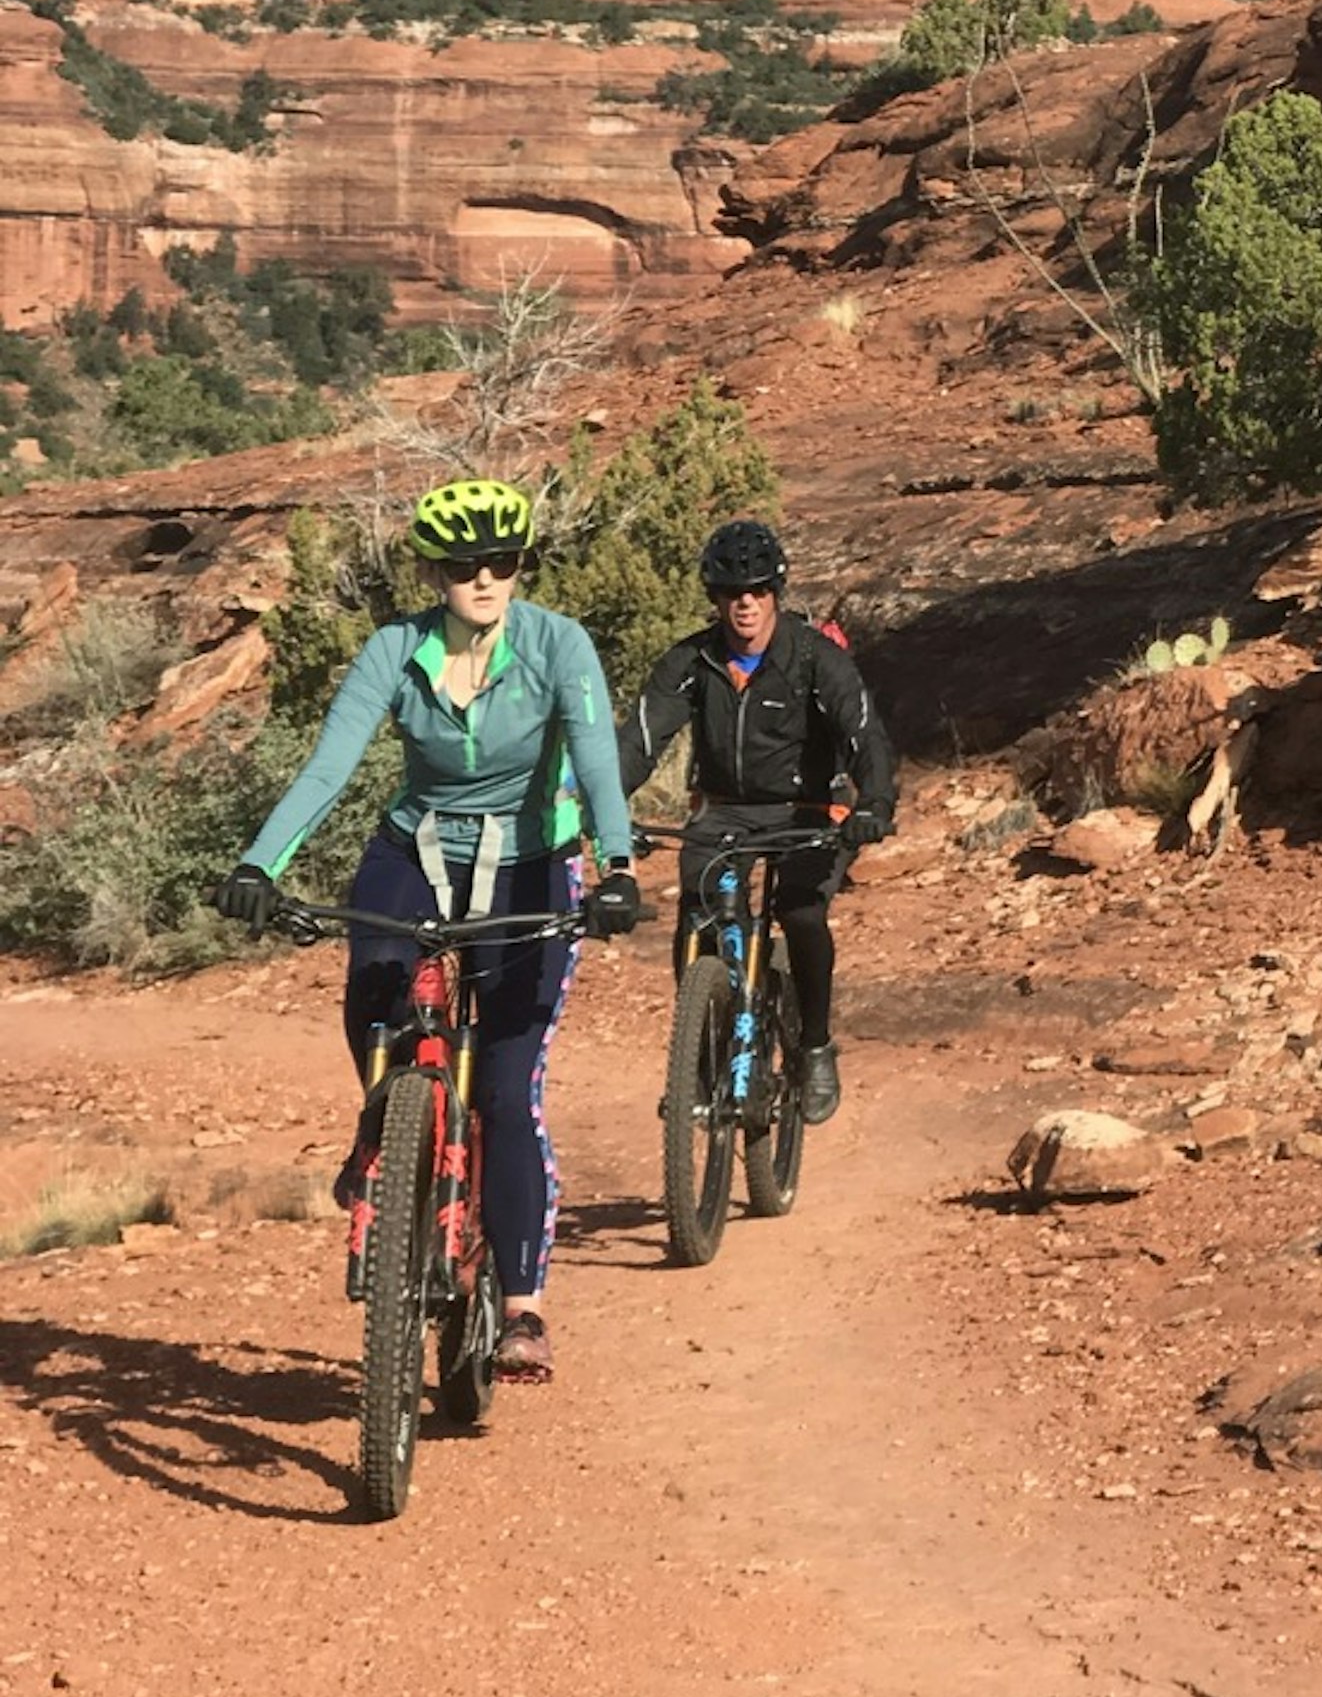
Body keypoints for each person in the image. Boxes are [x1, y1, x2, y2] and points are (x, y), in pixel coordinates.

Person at [216, 477, 641, 1386]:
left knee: (506, 1092)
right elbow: (329, 767)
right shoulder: (393, 651)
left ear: (522, 566)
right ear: (435, 571)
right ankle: (386, 1128)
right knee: (374, 991)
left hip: (530, 862)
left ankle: (523, 1308)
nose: (485, 579)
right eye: (463, 565)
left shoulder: (558, 645)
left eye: (503, 562)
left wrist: (616, 867)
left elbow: (598, 761)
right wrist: (261, 865)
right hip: (417, 849)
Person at [615, 519, 896, 1127]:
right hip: (723, 810)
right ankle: (701, 1052)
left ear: (777, 591)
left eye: (758, 590)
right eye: (731, 591)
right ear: (714, 597)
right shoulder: (691, 661)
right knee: (699, 913)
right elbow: (639, 741)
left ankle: (815, 1044)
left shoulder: (816, 659)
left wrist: (873, 803)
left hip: (808, 811)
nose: (745, 602)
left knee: (800, 913)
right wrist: (606, 807)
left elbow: (864, 732)